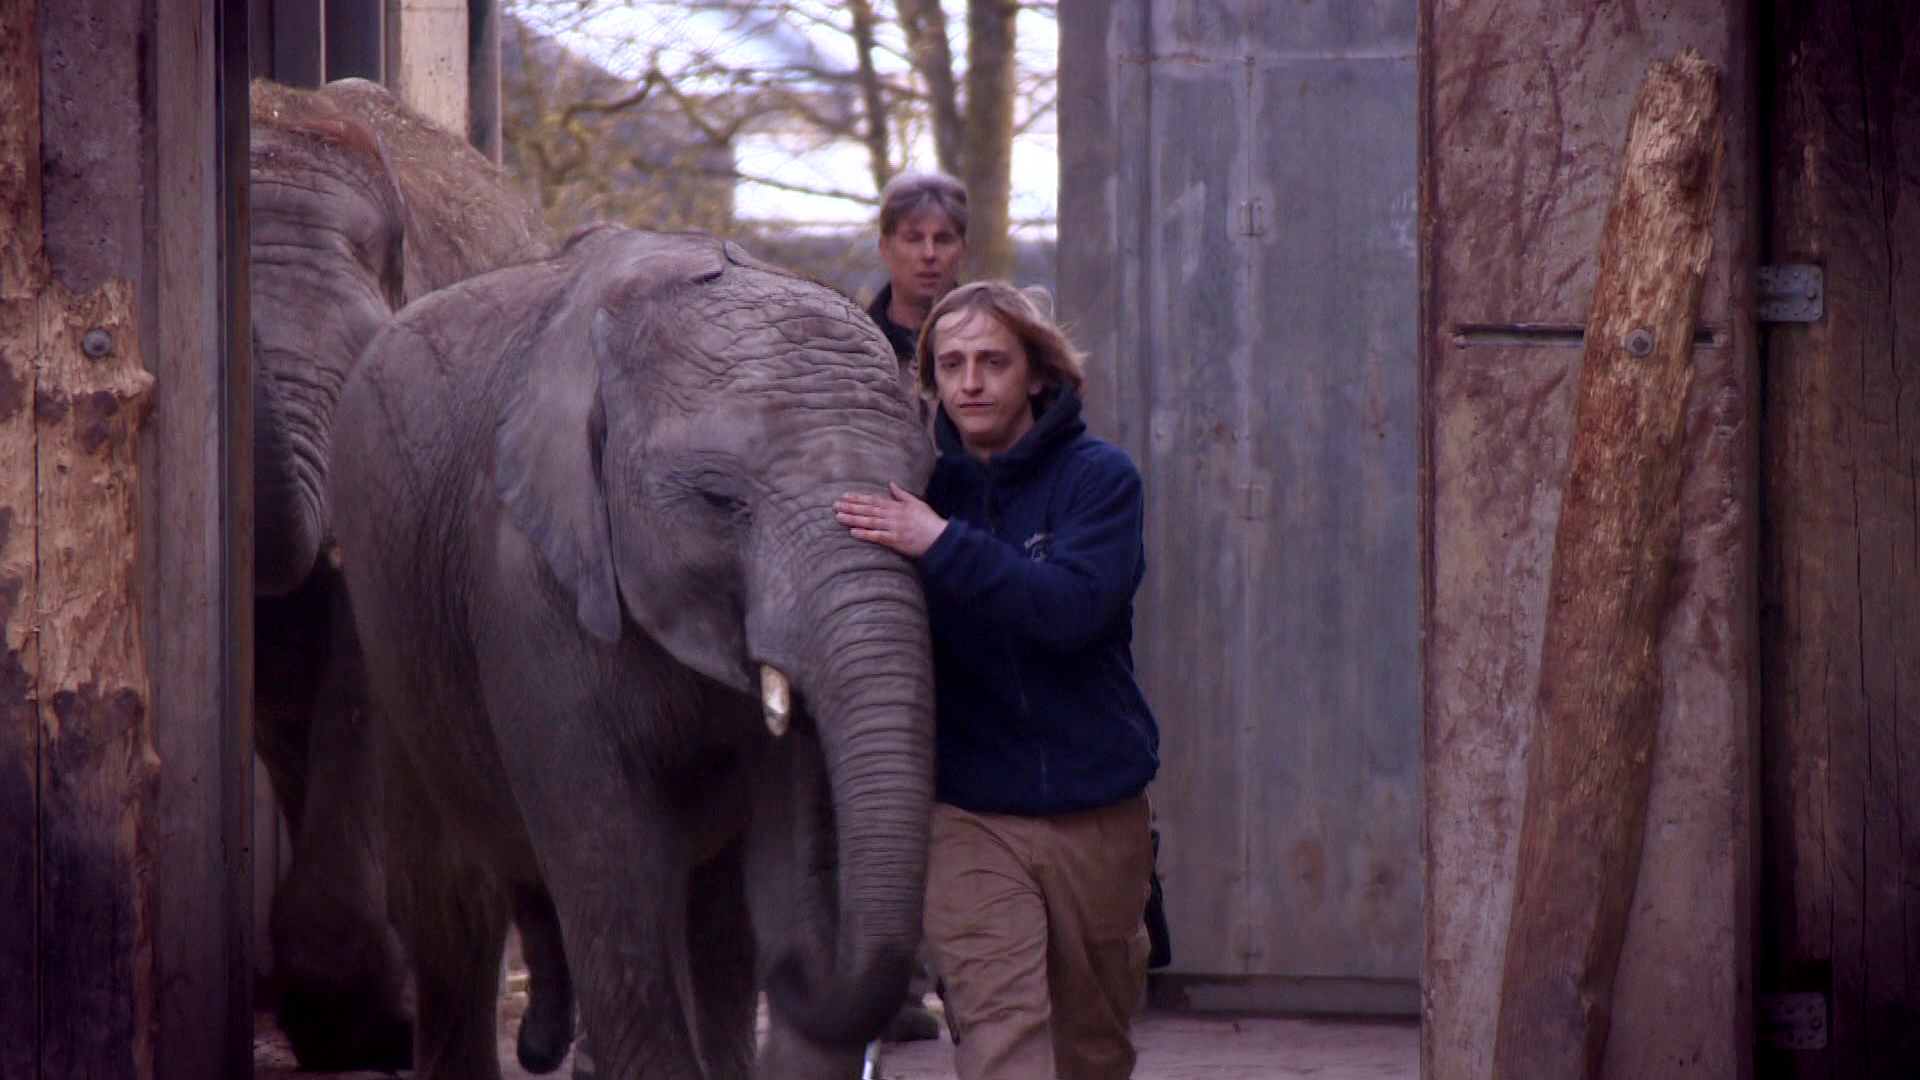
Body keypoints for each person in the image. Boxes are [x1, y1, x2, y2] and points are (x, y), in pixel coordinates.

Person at [835, 282, 1161, 1080]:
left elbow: (1074, 609)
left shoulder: (1099, 480)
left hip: (1099, 808)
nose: (970, 382)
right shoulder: (916, 493)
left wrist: (940, 544)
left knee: (1094, 1050)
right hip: (969, 813)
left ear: (1038, 376)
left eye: (991, 361)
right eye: (950, 364)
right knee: (1001, 1039)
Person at [867, 172, 969, 372]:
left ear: (963, 250)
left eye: (943, 239)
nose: (929, 254)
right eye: (913, 239)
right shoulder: (854, 347)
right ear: (885, 249)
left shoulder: (993, 345)